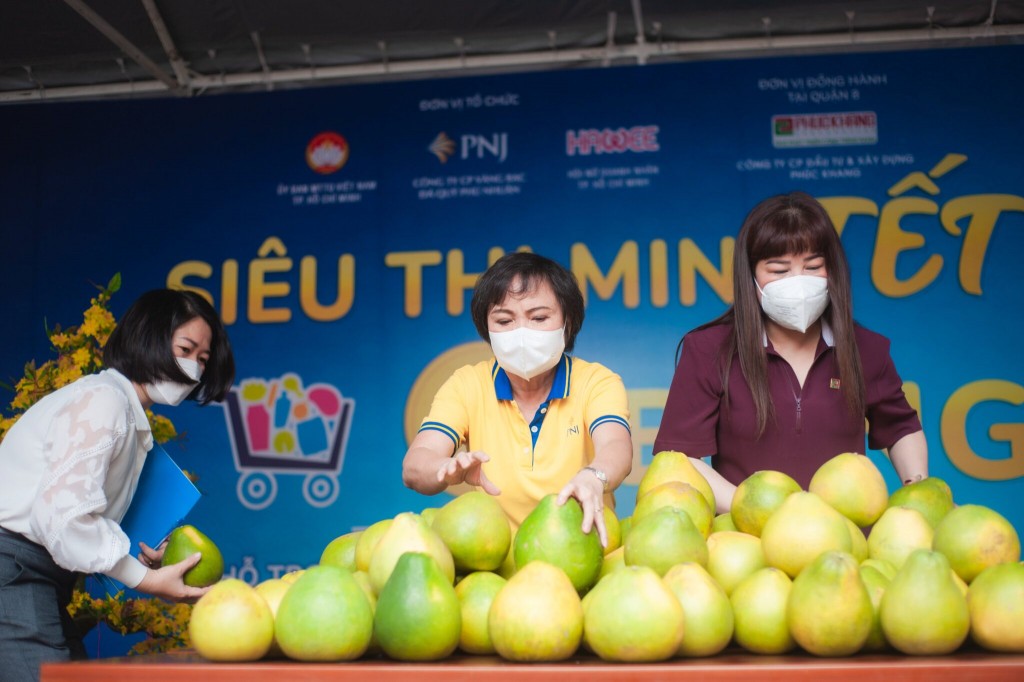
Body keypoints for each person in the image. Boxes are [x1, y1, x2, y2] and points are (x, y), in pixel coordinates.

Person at [0, 289, 234, 681]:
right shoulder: (103, 403)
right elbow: (64, 520)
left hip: (40, 576)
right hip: (16, 569)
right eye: (186, 348)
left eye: (202, 360)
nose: (193, 368)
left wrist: (133, 555)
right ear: (149, 338)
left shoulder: (122, 409)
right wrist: (145, 580)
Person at [654, 191, 927, 512]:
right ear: (750, 276)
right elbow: (678, 458)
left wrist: (919, 489)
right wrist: (753, 510)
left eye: (813, 266)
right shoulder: (710, 350)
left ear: (833, 270)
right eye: (779, 270)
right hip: (746, 542)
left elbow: (901, 429)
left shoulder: (866, 348)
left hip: (846, 545)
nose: (798, 283)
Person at [402, 252, 633, 546]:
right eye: (504, 320)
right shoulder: (466, 384)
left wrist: (594, 476)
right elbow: (414, 467)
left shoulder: (596, 382)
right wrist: (445, 470)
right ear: (487, 328)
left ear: (568, 321)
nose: (521, 332)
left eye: (538, 318)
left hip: (581, 550)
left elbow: (616, 447)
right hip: (493, 562)